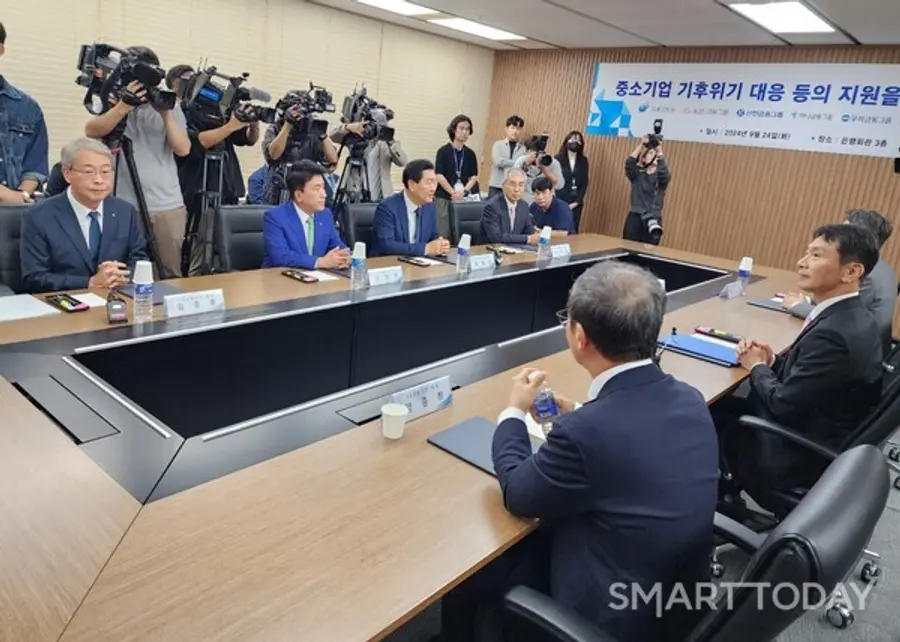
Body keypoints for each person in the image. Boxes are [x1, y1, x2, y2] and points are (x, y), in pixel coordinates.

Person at [440, 261, 719, 642]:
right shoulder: (689, 399)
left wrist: (514, 411)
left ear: (580, 336)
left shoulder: (587, 432)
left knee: (477, 570)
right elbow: (624, 438)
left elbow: (518, 492)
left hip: (608, 616)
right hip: (677, 605)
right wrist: (581, 412)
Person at [716, 224, 883, 505]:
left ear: (852, 272)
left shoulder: (834, 334)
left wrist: (757, 368)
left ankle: (713, 501)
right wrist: (772, 360)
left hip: (793, 454)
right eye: (807, 253)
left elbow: (782, 404)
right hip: (817, 427)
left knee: (708, 412)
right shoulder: (851, 315)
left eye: (816, 256)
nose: (801, 263)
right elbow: (815, 378)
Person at [83, 46, 190, 279]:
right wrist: (124, 106)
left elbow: (183, 149)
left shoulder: (168, 105)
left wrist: (165, 113)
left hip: (166, 206)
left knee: (170, 272)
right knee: (122, 273)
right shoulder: (113, 99)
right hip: (123, 203)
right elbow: (92, 130)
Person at [20, 138, 148, 293]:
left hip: (117, 298)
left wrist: (120, 276)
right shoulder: (38, 216)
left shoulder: (125, 211)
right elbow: (34, 278)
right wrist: (89, 282)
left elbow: (139, 260)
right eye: (89, 172)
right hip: (64, 304)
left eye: (106, 171)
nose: (99, 180)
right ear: (67, 174)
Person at [167, 65, 260, 275]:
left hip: (226, 182)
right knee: (193, 242)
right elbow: (198, 142)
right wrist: (230, 126)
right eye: (185, 81)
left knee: (224, 240)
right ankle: (191, 278)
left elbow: (247, 140)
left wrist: (252, 123)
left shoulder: (219, 109)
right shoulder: (177, 112)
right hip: (195, 183)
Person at [781, 209, 897, 356]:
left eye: (844, 230)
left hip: (859, 355)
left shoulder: (867, 277)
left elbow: (843, 321)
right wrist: (809, 301)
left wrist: (797, 306)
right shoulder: (883, 268)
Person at [261, 160, 349, 270]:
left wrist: (344, 257)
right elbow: (280, 257)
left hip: (317, 280)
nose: (324, 195)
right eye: (317, 188)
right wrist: (319, 262)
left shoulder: (325, 214)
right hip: (281, 279)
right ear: (299, 195)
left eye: (323, 187)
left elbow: (337, 246)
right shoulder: (275, 217)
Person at [260, 90, 339, 205]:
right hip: (278, 188)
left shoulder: (312, 132)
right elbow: (273, 154)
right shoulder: (276, 129)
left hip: (307, 189)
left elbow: (332, 159)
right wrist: (287, 125)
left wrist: (322, 135)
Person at [0, 21, 49, 203]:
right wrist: (6, 195)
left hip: (14, 212)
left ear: (1, 49)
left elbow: (36, 165)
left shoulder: (28, 107)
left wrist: (22, 195)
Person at [372, 159, 448, 258]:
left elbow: (432, 235)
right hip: (390, 265)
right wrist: (425, 249)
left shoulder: (429, 206)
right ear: (412, 185)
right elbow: (387, 245)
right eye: (429, 182)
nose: (433, 188)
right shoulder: (387, 208)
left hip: (419, 264)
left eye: (435, 183)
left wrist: (440, 244)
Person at [329, 119, 407, 201]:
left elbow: (402, 162)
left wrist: (391, 142)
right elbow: (332, 136)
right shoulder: (357, 138)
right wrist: (347, 127)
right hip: (354, 194)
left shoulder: (388, 144)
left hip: (379, 198)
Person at [434, 114, 479, 238]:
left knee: (460, 232)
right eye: (461, 128)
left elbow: (473, 176)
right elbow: (439, 175)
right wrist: (453, 193)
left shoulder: (470, 153)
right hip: (444, 197)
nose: (465, 132)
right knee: (443, 232)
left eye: (467, 129)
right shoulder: (443, 151)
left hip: (463, 198)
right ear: (454, 129)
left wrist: (463, 192)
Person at [623, 136, 670, 245]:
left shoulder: (661, 178)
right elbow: (629, 163)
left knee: (649, 250)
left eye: (655, 154)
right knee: (628, 246)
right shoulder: (638, 175)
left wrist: (659, 151)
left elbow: (665, 173)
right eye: (650, 153)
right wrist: (641, 145)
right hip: (635, 215)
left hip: (653, 217)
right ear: (643, 159)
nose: (654, 156)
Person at [480, 168, 540, 246]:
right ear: (503, 186)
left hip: (515, 251)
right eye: (512, 184)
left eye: (521, 185)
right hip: (490, 251)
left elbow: (529, 231)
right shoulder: (492, 207)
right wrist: (528, 239)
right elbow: (496, 237)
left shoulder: (524, 206)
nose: (516, 189)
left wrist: (536, 235)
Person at [513, 135, 564, 205]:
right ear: (526, 151)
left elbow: (559, 185)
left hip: (544, 204)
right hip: (524, 202)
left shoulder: (551, 162)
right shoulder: (521, 160)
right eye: (533, 152)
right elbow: (514, 182)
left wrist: (544, 169)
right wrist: (525, 166)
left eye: (538, 153)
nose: (536, 156)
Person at [555, 130, 589, 232]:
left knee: (573, 230)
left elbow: (585, 182)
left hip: (576, 202)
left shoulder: (583, 160)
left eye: (579, 140)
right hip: (559, 200)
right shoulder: (558, 159)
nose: (576, 141)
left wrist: (578, 201)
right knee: (558, 229)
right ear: (566, 141)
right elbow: (554, 181)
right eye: (573, 138)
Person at [488, 115, 525, 199]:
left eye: (518, 129)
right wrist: (517, 162)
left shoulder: (523, 149)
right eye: (512, 128)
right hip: (496, 186)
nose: (515, 131)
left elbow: (522, 166)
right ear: (506, 129)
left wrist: (519, 163)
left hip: (513, 188)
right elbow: (498, 162)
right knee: (493, 210)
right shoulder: (498, 144)